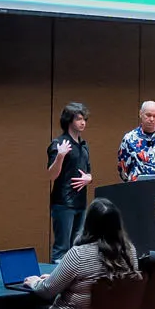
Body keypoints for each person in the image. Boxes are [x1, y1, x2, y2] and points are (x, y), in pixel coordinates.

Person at [24, 198, 142, 309]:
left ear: (89, 223)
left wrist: (35, 282)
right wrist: (56, 279)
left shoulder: (79, 254)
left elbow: (46, 291)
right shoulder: (130, 251)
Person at [47, 101, 93, 261]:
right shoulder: (59, 144)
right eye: (79, 119)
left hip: (80, 202)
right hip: (63, 202)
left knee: (77, 248)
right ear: (69, 121)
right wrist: (60, 156)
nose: (83, 122)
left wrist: (89, 178)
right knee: (62, 248)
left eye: (84, 119)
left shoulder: (83, 145)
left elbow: (88, 172)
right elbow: (51, 175)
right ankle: (56, 276)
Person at [116, 100, 155, 181]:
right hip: (136, 185)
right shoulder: (129, 138)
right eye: (148, 115)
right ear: (140, 114)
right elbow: (122, 168)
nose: (151, 119)